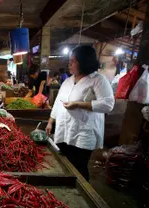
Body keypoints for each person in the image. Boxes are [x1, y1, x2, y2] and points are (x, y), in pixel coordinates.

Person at [45, 45, 114, 181]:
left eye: (73, 61)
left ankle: (83, 192)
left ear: (84, 62)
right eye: (69, 61)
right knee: (64, 161)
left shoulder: (98, 80)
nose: (69, 64)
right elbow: (58, 102)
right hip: (64, 129)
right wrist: (50, 122)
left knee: (79, 166)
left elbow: (108, 104)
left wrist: (78, 105)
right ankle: (66, 186)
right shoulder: (68, 81)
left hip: (83, 132)